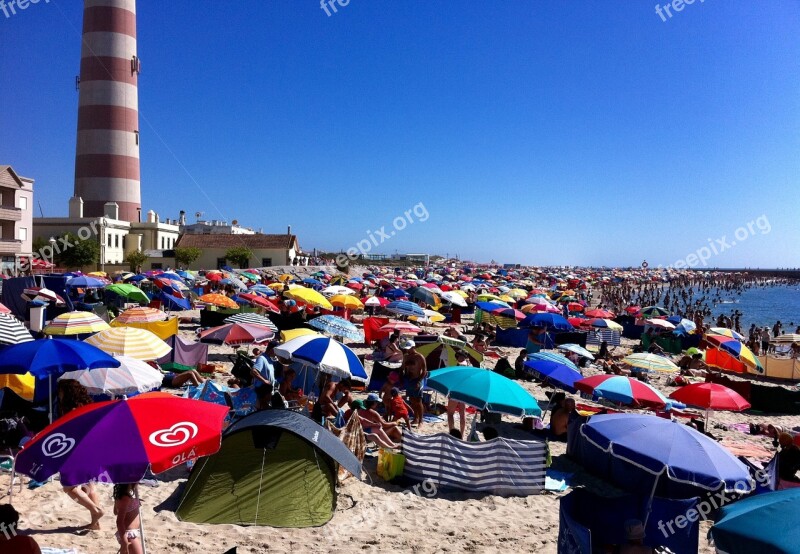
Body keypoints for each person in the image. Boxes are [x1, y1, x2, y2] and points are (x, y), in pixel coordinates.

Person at [56, 380, 104, 531]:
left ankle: (95, 510)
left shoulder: (72, 410)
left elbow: (70, 432)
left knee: (69, 487)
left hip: (75, 451)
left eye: (61, 391)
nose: (58, 394)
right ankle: (95, 522)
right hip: (91, 449)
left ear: (67, 392)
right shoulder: (88, 405)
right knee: (89, 486)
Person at [401, 339, 427, 428]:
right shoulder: (406, 356)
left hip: (417, 379)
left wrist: (419, 381)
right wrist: (403, 377)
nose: (408, 350)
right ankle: (415, 418)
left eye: (409, 348)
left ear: (413, 347)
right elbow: (403, 368)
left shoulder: (419, 357)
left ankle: (421, 420)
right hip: (409, 379)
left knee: (418, 401)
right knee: (412, 400)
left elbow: (424, 370)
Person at [113, 484, 143, 554]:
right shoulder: (125, 499)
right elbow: (119, 522)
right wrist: (124, 542)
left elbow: (115, 512)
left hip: (130, 534)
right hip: (129, 535)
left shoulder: (122, 496)